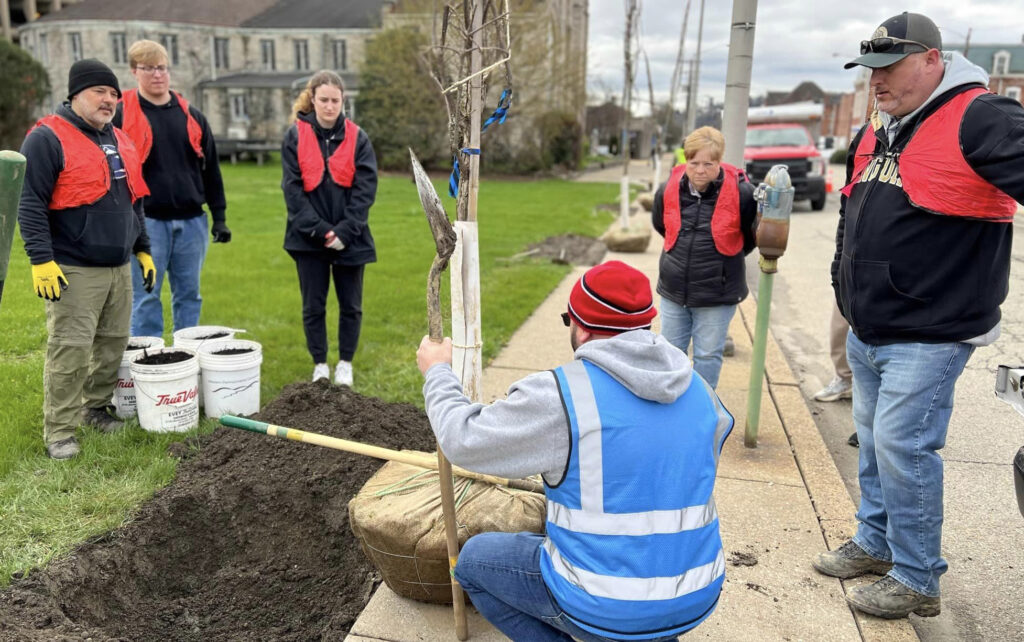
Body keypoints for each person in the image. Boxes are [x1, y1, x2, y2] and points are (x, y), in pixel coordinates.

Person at [813, 12, 1024, 619]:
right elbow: (850, 216)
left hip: (932, 330)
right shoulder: (878, 129)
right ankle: (875, 543)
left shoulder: (983, 115)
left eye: (890, 67)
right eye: (870, 70)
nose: (876, 81)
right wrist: (841, 286)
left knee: (904, 447)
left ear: (933, 60)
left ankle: (916, 576)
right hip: (869, 325)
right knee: (876, 444)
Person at [416, 260, 733, 641]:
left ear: (581, 329)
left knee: (473, 563)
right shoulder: (700, 389)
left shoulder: (563, 397)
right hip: (696, 593)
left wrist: (437, 372)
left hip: (602, 604)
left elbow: (462, 438)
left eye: (569, 319)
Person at [18, 59, 155, 460]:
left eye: (114, 94)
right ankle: (59, 430)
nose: (109, 100)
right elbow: (30, 204)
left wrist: (142, 248)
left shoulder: (120, 139)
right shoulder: (47, 138)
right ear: (75, 93)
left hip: (118, 266)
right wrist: (41, 260)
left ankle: (94, 409)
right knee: (71, 348)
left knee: (113, 345)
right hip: (73, 266)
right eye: (99, 92)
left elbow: (135, 201)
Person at [113, 39, 229, 338]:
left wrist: (220, 217)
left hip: (192, 222)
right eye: (148, 68)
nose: (157, 74)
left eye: (162, 67)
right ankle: (148, 363)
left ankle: (187, 357)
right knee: (146, 297)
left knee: (189, 295)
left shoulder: (192, 116)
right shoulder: (121, 116)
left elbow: (212, 170)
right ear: (133, 72)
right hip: (145, 223)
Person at [282, 70, 377, 386]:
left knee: (351, 306)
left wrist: (346, 232)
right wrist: (322, 231)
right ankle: (320, 364)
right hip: (307, 240)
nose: (329, 106)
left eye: (335, 100)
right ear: (313, 98)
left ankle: (345, 364)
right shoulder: (294, 136)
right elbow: (292, 192)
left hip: (351, 239)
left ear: (343, 101)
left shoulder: (358, 137)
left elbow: (365, 190)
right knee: (313, 306)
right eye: (323, 100)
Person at [651, 126, 757, 388]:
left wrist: (719, 262)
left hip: (716, 294)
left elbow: (750, 237)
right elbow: (662, 226)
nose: (700, 170)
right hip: (675, 290)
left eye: (708, 164)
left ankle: (703, 408)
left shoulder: (743, 193)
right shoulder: (667, 189)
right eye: (694, 163)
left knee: (707, 356)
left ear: (719, 161)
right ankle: (670, 405)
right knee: (670, 354)